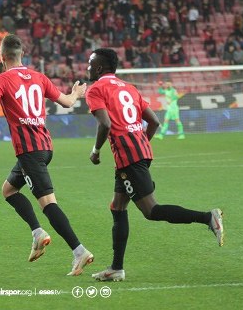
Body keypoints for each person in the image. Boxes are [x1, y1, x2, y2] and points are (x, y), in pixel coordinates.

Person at [0, 34, 94, 276]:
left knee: (48, 204)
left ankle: (79, 251)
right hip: (45, 147)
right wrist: (77, 92)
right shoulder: (39, 77)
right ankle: (37, 233)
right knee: (8, 190)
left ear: (1, 57)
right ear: (22, 55)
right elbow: (68, 102)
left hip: (30, 151)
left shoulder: (2, 79)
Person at [84, 48, 224, 282]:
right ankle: (116, 268)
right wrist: (140, 144)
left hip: (129, 159)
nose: (87, 68)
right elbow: (154, 121)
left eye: (90, 64)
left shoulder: (96, 89)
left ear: (99, 68)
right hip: (139, 154)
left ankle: (208, 217)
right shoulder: (129, 88)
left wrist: (96, 151)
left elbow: (105, 124)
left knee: (151, 211)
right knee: (117, 207)